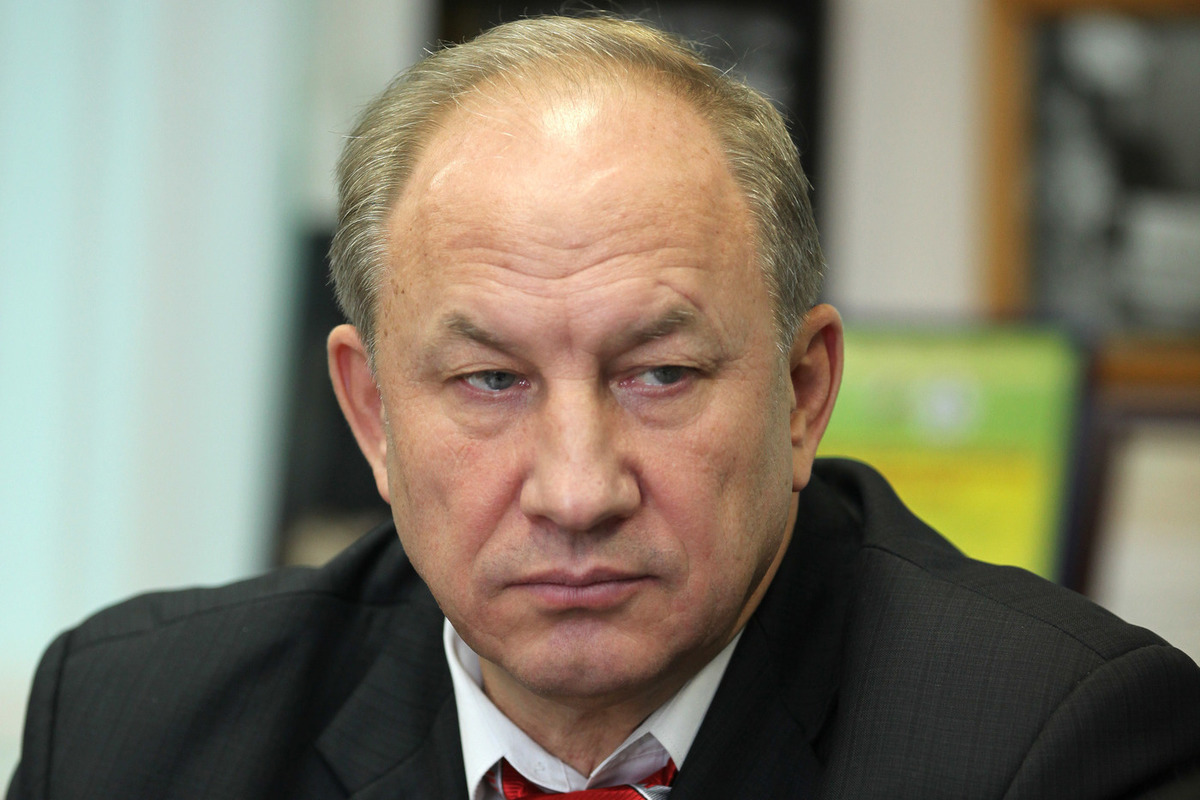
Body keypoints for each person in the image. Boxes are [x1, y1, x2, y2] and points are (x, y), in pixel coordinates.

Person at [7, 15, 1200, 800]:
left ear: (801, 393)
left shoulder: (1057, 746)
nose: (577, 490)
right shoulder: (132, 729)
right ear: (371, 415)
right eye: (490, 381)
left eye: (659, 374)